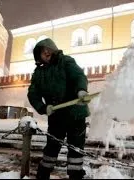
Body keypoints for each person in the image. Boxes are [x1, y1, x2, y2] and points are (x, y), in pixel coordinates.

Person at [27, 38, 90, 179]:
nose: (46, 52)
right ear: (39, 56)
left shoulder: (66, 61)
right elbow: (33, 94)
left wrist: (81, 90)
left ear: (53, 49)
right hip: (56, 116)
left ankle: (75, 175)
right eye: (42, 52)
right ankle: (43, 175)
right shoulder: (38, 73)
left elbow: (78, 76)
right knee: (52, 147)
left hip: (76, 114)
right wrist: (43, 108)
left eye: (48, 49)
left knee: (76, 149)